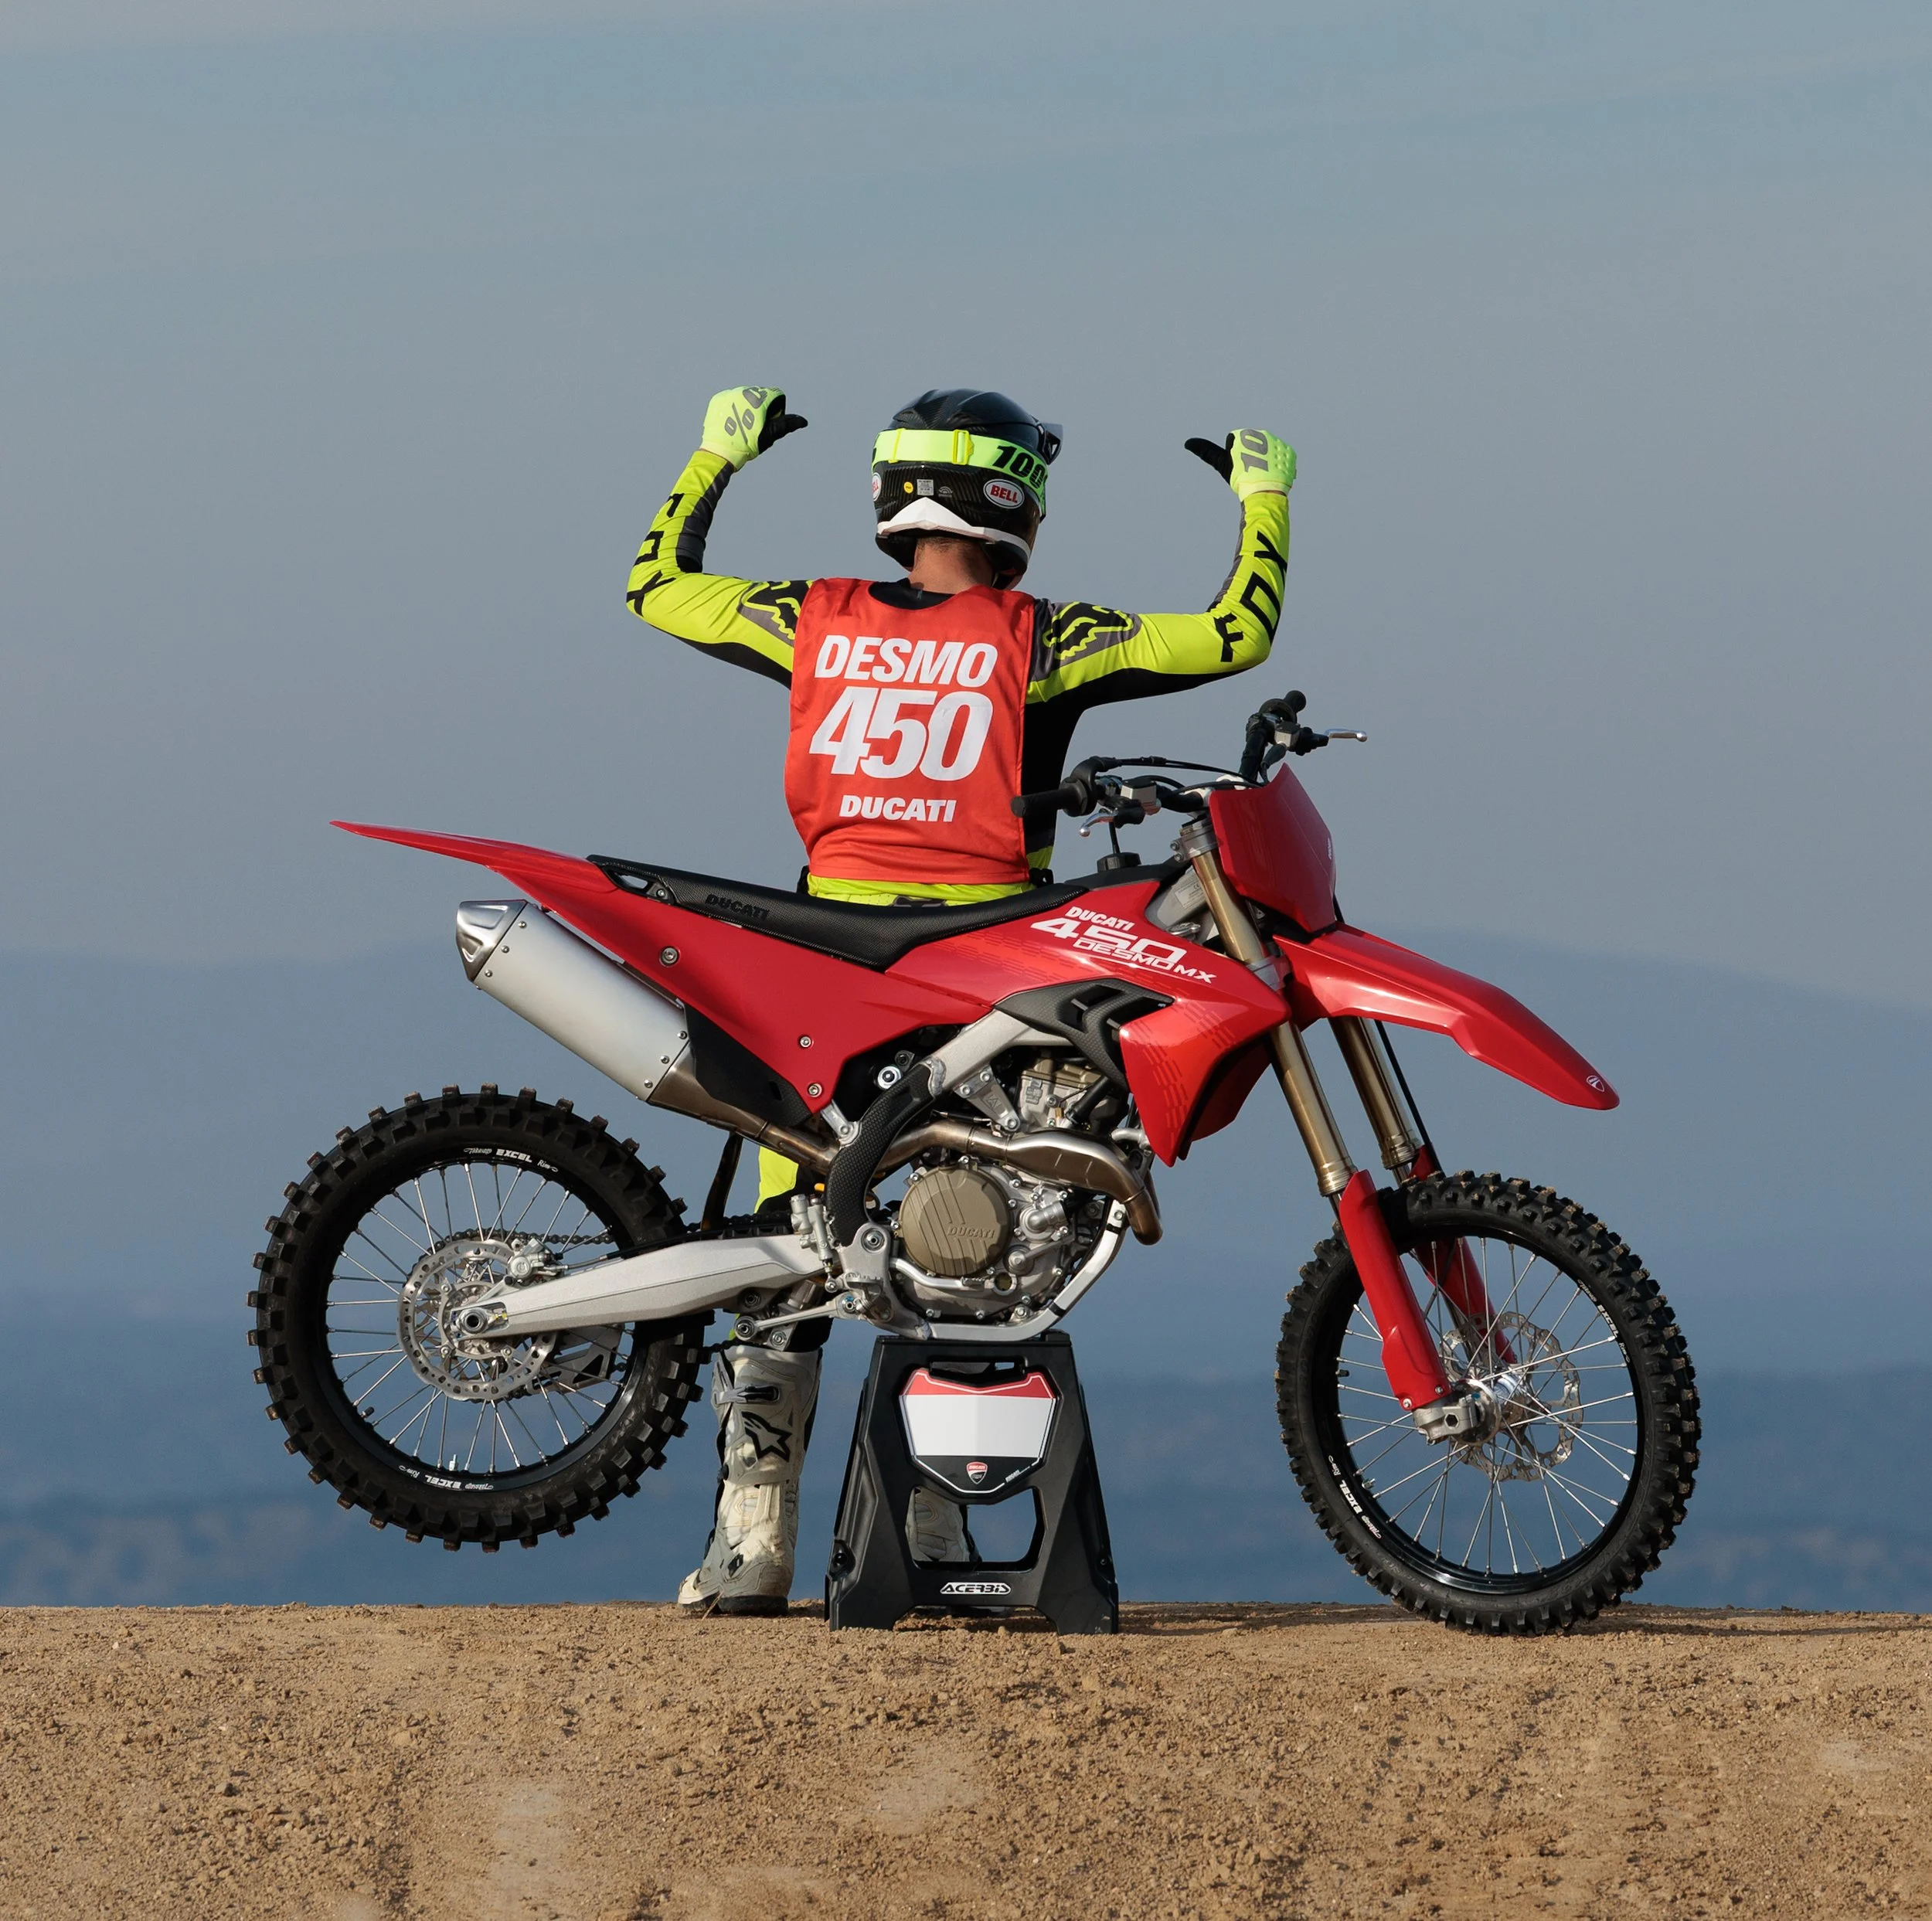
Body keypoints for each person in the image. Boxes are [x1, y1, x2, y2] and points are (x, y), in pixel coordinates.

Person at [627, 385, 1295, 1612]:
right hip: (996, 972)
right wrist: (1265, 496)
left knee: (791, 1239)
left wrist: (715, 451)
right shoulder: (1045, 635)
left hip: (819, 963)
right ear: (1014, 499)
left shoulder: (810, 618)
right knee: (986, 1236)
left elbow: (655, 584)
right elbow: (1234, 634)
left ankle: (751, 1535)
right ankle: (939, 1504)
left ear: (891, 495)